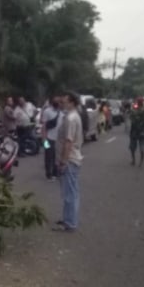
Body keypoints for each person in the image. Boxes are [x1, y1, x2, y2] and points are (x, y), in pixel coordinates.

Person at [53, 91, 83, 232]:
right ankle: (68, 219)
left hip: (70, 159)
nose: (63, 104)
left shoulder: (71, 118)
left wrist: (63, 161)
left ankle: (70, 222)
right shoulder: (72, 116)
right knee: (70, 192)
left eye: (65, 101)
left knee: (69, 193)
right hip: (72, 159)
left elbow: (68, 142)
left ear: (72, 102)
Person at [41, 95, 62, 181]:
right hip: (49, 138)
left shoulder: (61, 112)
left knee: (56, 157)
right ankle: (48, 173)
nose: (58, 103)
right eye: (56, 101)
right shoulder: (47, 111)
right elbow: (44, 126)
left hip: (58, 139)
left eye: (59, 101)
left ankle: (55, 172)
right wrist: (44, 139)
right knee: (48, 156)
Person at [129, 97, 144, 166]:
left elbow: (131, 118)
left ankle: (134, 161)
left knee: (133, 147)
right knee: (140, 147)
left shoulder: (134, 110)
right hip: (142, 131)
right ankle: (140, 162)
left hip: (136, 131)